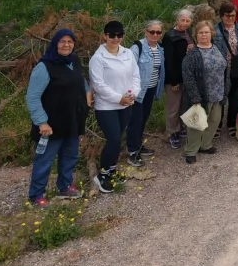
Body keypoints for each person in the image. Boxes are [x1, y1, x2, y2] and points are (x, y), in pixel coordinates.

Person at [26, 29, 91, 206]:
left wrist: (87, 92)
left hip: (72, 121)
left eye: (70, 42)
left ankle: (65, 187)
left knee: (70, 156)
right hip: (50, 125)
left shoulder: (74, 60)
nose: (66, 45)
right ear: (55, 44)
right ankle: (36, 195)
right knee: (45, 160)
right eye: (62, 41)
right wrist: (42, 122)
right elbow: (32, 97)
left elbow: (80, 80)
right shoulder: (44, 67)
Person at [90, 20, 140, 193]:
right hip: (107, 107)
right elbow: (98, 85)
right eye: (112, 35)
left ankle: (111, 169)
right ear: (105, 36)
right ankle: (102, 174)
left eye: (119, 35)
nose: (116, 38)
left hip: (126, 103)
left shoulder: (128, 53)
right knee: (114, 139)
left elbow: (135, 75)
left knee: (119, 137)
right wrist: (118, 99)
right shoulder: (98, 58)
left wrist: (134, 93)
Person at [182, 21, 229, 164]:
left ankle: (205, 145)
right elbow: (188, 77)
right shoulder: (193, 55)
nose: (204, 35)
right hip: (202, 96)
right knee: (197, 125)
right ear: (196, 35)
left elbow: (226, 69)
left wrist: (226, 89)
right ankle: (191, 151)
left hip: (218, 93)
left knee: (214, 121)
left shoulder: (218, 48)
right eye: (201, 32)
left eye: (206, 32)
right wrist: (195, 96)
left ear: (211, 33)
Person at [126, 20, 166, 167]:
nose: (155, 34)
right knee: (135, 120)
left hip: (151, 89)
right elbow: (128, 69)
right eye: (152, 32)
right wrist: (130, 91)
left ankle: (138, 145)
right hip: (138, 91)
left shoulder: (160, 48)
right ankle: (132, 151)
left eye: (158, 32)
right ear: (146, 32)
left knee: (143, 118)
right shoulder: (137, 47)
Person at [213, 3, 238, 139]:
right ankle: (217, 125)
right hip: (221, 69)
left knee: (235, 97)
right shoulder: (215, 30)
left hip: (237, 68)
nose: (230, 18)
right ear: (221, 15)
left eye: (233, 15)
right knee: (220, 97)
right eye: (227, 15)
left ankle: (231, 123)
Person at [163, 9, 194, 150]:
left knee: (183, 105)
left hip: (186, 76)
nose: (185, 23)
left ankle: (180, 128)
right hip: (174, 77)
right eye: (182, 20)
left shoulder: (189, 33)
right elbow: (168, 60)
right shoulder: (170, 36)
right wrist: (173, 81)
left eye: (188, 21)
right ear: (177, 20)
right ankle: (172, 132)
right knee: (173, 107)